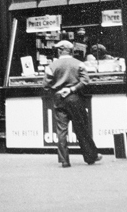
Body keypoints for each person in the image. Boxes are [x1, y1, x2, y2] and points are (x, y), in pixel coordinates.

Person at [44, 40, 102, 168]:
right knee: (81, 128)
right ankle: (90, 156)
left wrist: (56, 90)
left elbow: (45, 85)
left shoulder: (52, 66)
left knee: (61, 130)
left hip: (59, 98)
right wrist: (72, 89)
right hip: (74, 98)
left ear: (60, 50)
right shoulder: (79, 63)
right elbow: (85, 80)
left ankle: (64, 160)